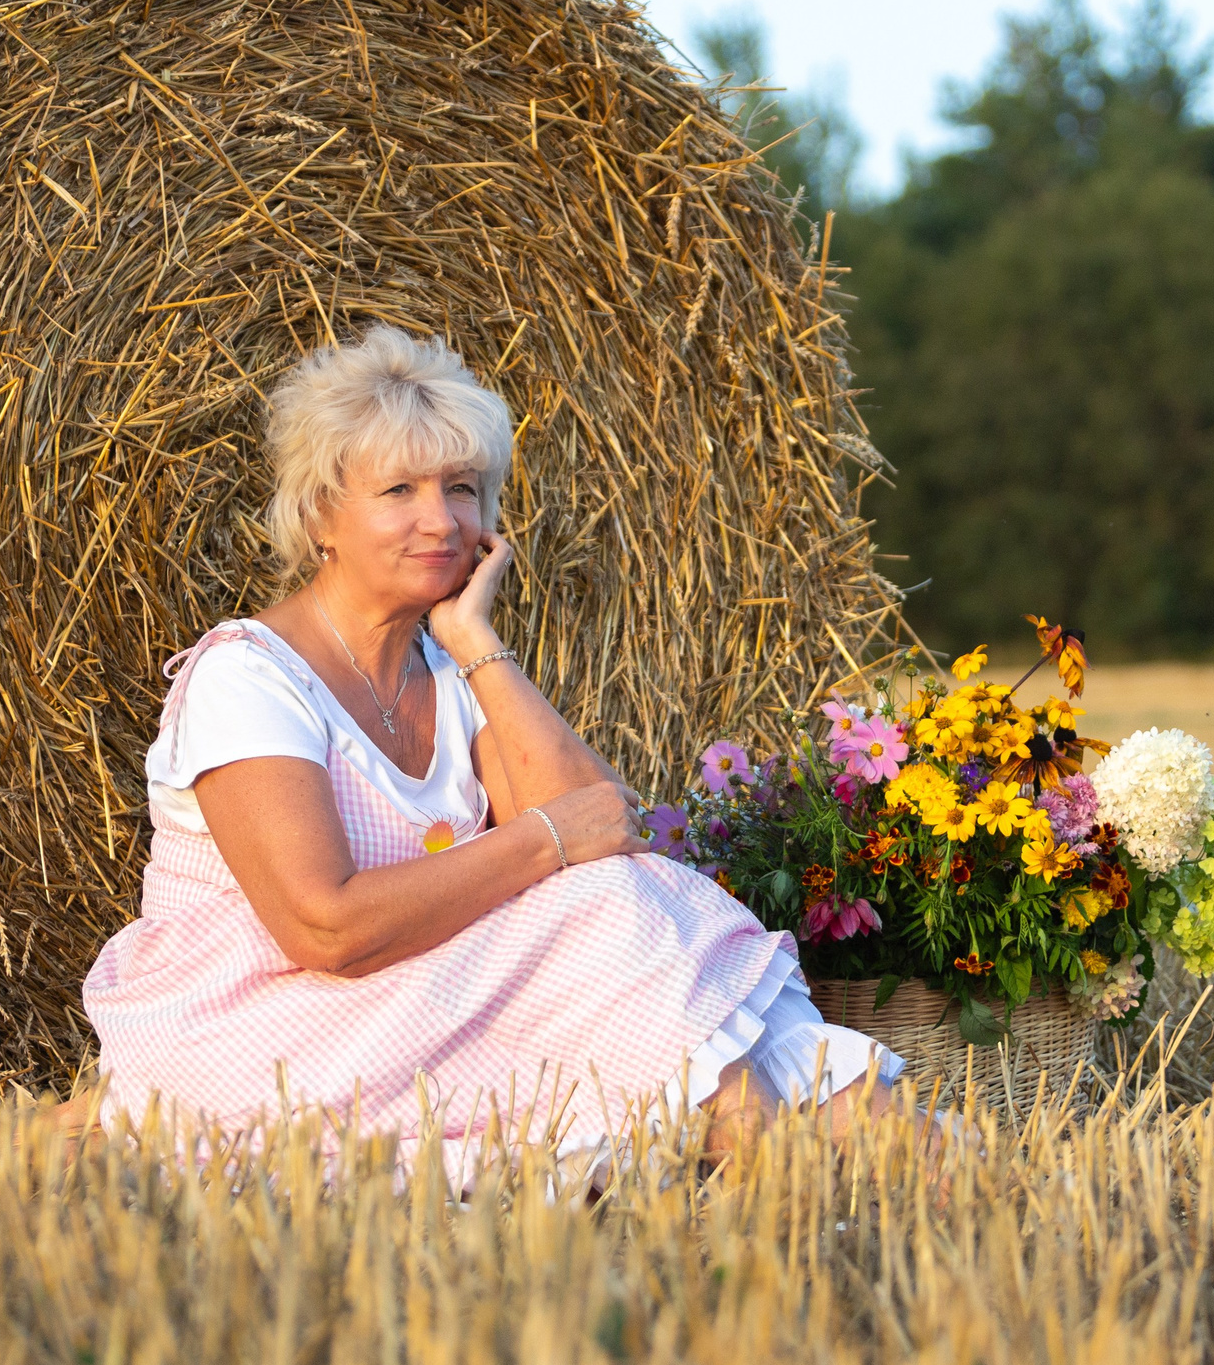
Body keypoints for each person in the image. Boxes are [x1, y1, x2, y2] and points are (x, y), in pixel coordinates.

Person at [73, 324, 903, 1177]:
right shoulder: (248, 680)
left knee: (639, 903)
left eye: (462, 488)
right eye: (399, 489)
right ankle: (776, 1182)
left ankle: (880, 1156)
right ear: (321, 513)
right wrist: (542, 839)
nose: (441, 520)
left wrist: (473, 635)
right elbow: (326, 926)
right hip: (263, 1024)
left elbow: (608, 835)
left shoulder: (448, 667)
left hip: (417, 1003)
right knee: (617, 917)